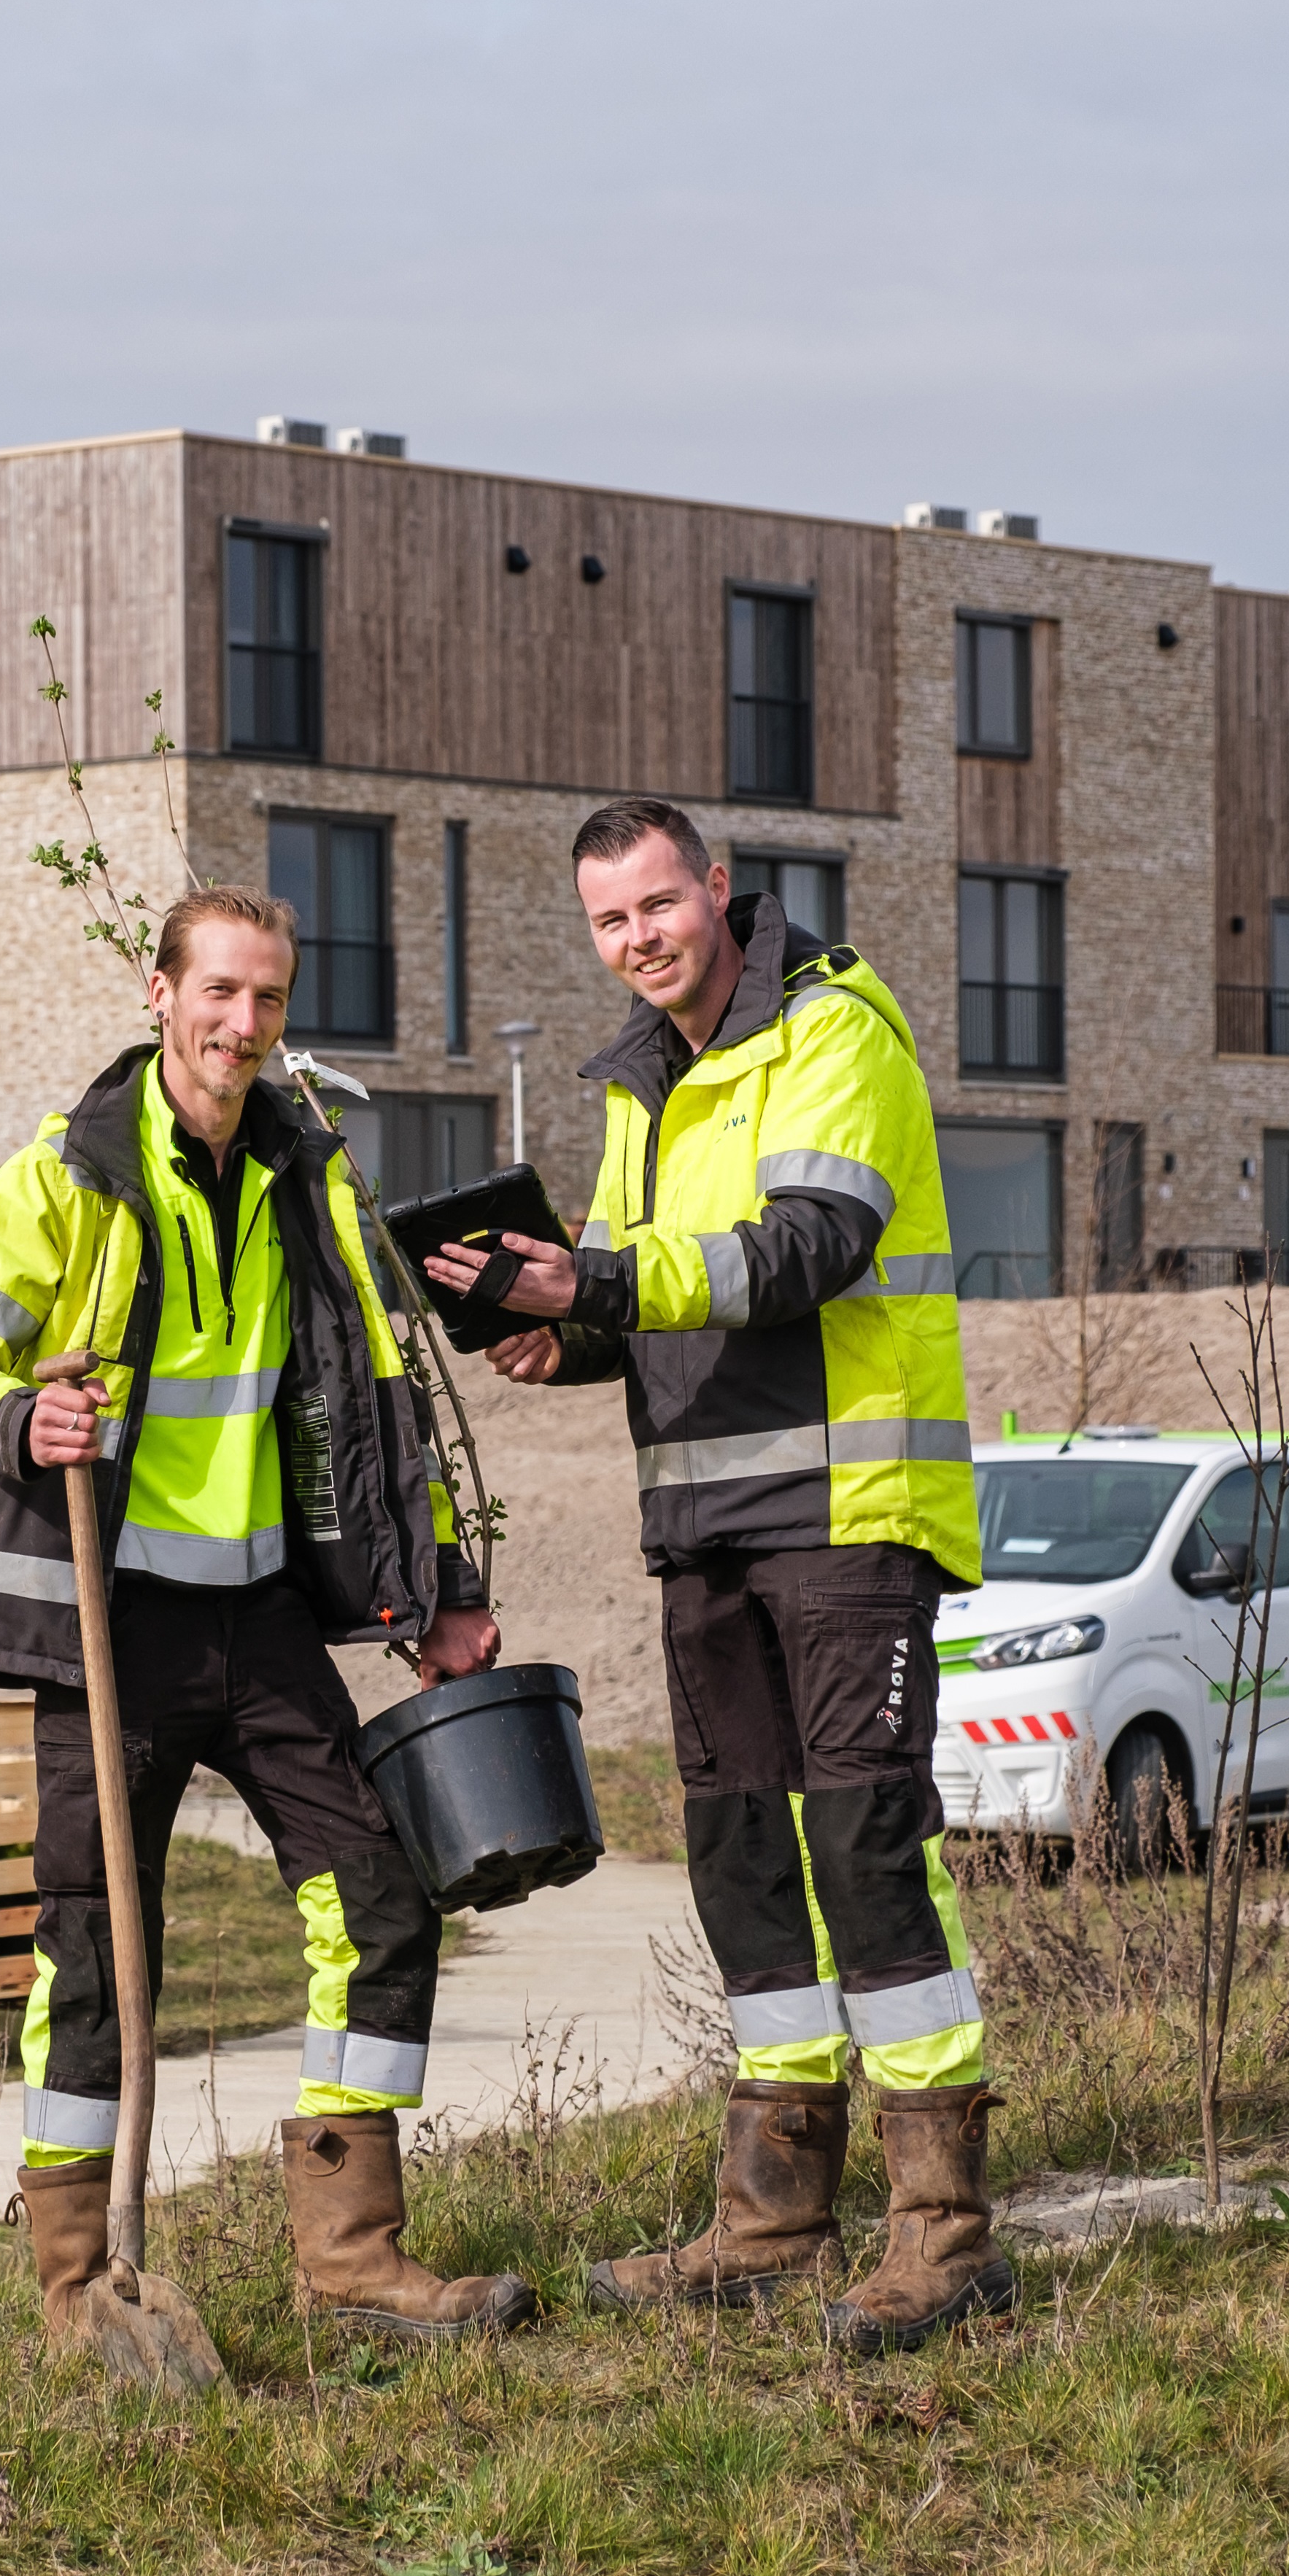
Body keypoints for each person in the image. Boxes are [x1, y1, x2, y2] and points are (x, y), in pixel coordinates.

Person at [0, 885, 533, 2351]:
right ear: (157, 990)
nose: (240, 1025)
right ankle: (76, 2286)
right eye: (217, 993)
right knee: (96, 1949)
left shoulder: (309, 1181)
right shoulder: (66, 1174)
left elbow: (379, 1413)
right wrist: (16, 1415)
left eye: (266, 1000)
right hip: (105, 1630)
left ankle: (351, 2256)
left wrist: (436, 1598)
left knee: (378, 1900)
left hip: (255, 1623)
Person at [422, 797, 1004, 2356]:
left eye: (657, 906)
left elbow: (799, 1248)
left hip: (843, 1501)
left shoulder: (836, 1030)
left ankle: (942, 2236)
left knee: (865, 1844)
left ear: (720, 889)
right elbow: (648, 1285)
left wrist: (601, 1279)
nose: (636, 940)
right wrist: (565, 1333)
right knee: (739, 1855)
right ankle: (770, 2218)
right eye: (609, 922)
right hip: (702, 1522)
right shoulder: (637, 1085)